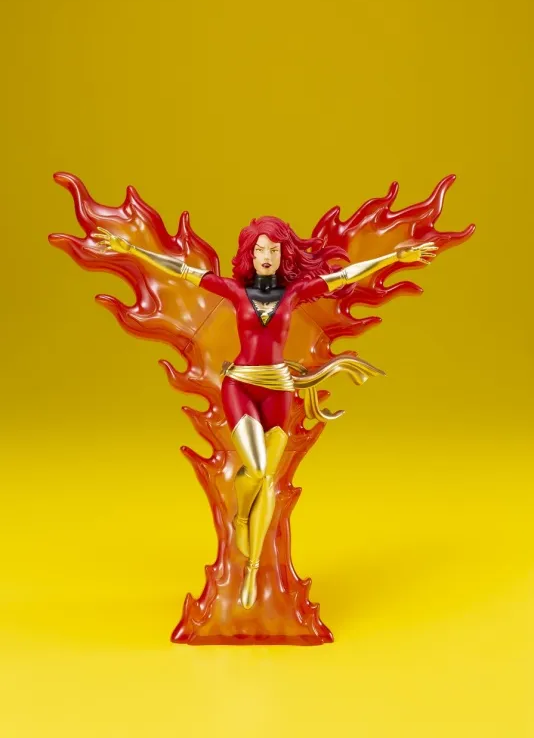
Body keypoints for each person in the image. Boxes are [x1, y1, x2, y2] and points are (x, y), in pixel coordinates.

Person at [92, 217, 436, 608]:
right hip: (240, 385)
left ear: (282, 255)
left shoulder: (296, 292)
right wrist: (132, 250)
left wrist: (395, 258)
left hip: (279, 389)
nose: (266, 256)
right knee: (256, 469)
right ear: (250, 255)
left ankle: (252, 571)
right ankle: (241, 518)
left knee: (269, 479)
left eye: (273, 249)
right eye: (260, 250)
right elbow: (183, 271)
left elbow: (345, 275)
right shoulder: (235, 290)